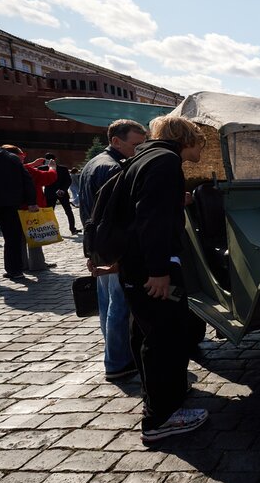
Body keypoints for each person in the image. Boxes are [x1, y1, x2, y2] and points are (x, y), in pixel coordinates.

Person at [119, 115, 208, 442]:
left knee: (147, 333)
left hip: (136, 266)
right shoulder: (166, 162)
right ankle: (161, 418)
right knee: (166, 336)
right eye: (200, 143)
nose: (201, 150)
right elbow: (152, 220)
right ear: (187, 139)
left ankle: (159, 399)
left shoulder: (145, 156)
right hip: (152, 271)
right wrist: (159, 271)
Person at [79, 119, 148, 381]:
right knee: (120, 305)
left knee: (108, 303)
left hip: (99, 244)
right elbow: (118, 216)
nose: (139, 150)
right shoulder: (114, 168)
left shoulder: (93, 163)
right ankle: (118, 361)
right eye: (136, 145)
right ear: (116, 141)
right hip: (112, 247)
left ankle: (115, 356)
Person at [3, 145, 58, 272]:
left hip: (13, 208)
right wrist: (52, 168)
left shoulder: (5, 169)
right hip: (30, 208)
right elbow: (48, 178)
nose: (23, 158)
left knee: (19, 239)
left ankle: (22, 264)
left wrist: (32, 164)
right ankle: (37, 264)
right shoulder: (26, 170)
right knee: (35, 237)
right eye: (22, 155)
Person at [0, 146, 37, 280]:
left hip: (9, 202)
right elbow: (27, 180)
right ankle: (15, 270)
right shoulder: (12, 158)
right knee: (12, 238)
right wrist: (31, 201)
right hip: (10, 204)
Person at [43, 153, 79, 235]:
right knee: (52, 212)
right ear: (55, 159)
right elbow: (68, 181)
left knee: (66, 211)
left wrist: (63, 189)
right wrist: (63, 189)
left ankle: (71, 229)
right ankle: (72, 229)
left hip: (56, 193)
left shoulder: (62, 169)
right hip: (54, 193)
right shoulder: (44, 169)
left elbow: (68, 180)